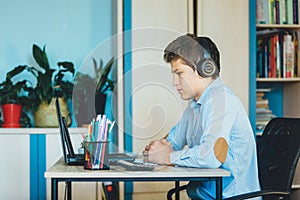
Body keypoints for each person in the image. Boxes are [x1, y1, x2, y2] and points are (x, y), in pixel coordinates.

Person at [143, 34, 261, 199]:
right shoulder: (195, 105)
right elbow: (172, 142)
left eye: (179, 73)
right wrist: (158, 150)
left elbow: (210, 156)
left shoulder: (221, 101)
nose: (174, 82)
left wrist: (167, 157)